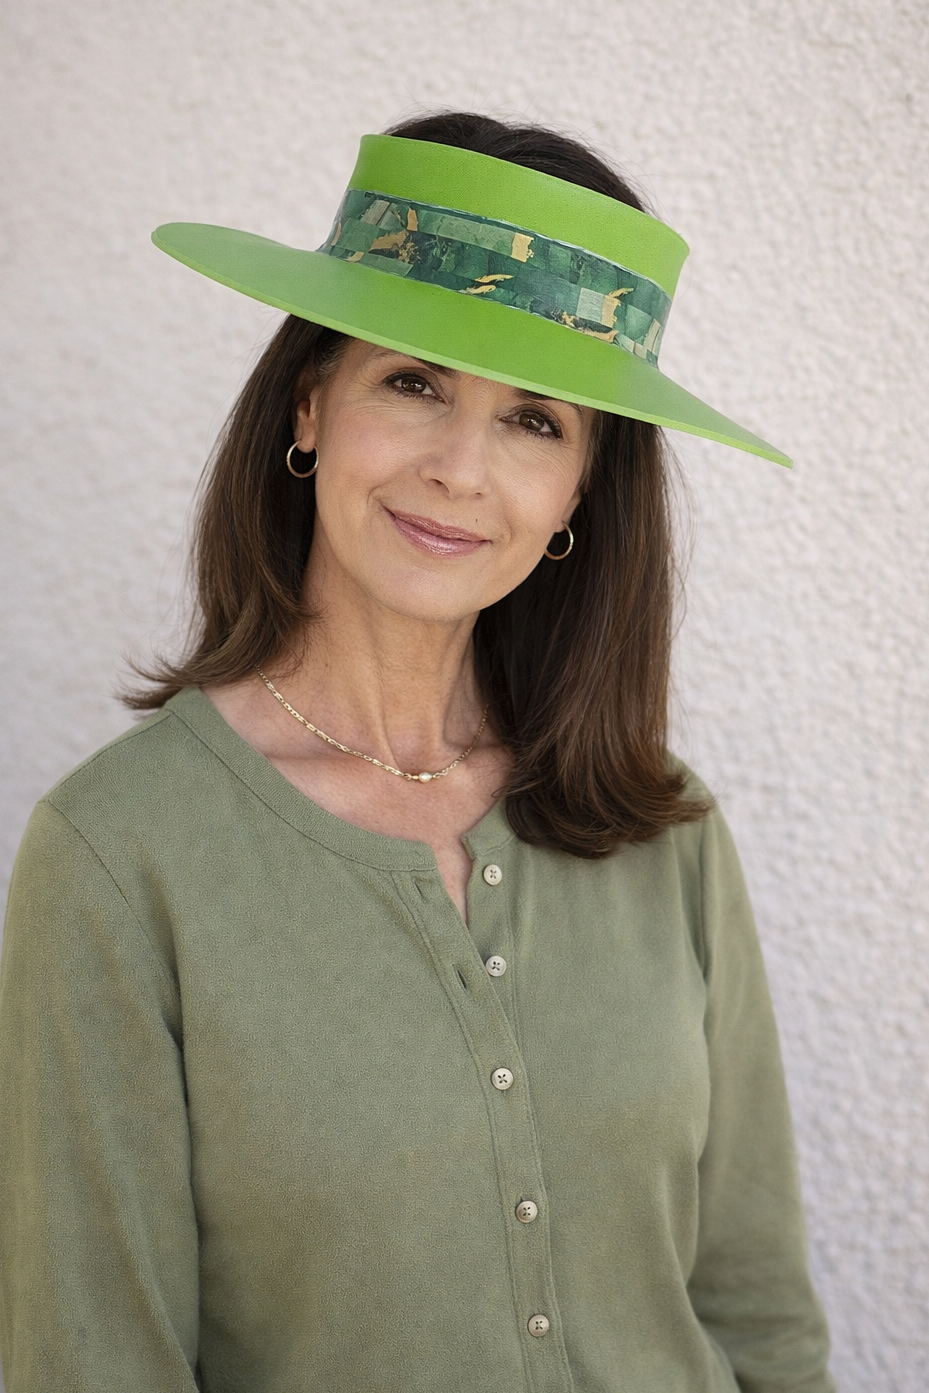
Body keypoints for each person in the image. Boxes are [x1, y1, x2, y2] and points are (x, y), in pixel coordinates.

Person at [0, 112, 834, 1392]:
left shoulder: (661, 825)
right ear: (309, 402)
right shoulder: (118, 860)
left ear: (579, 494)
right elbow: (94, 1358)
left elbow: (760, 1318)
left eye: (534, 422)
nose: (460, 470)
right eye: (415, 382)